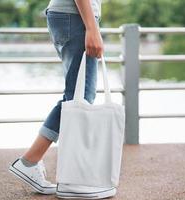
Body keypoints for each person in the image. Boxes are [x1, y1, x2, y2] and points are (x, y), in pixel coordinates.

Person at [8, 0, 116, 199]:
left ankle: (41, 165)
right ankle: (40, 166)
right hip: (76, 16)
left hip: (70, 15)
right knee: (80, 97)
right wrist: (92, 28)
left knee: (76, 96)